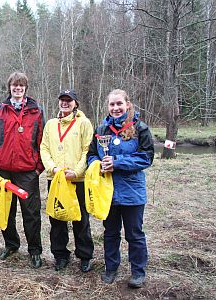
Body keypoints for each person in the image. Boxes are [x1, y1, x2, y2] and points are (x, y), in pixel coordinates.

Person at [87, 89, 154, 288]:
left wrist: (117, 162)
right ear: (107, 107)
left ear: (127, 104)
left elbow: (146, 157)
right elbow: (91, 154)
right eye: (112, 105)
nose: (115, 108)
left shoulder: (140, 128)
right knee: (110, 232)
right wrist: (97, 164)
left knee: (134, 233)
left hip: (132, 191)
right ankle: (111, 268)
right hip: (107, 191)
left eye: (119, 104)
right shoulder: (101, 130)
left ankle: (138, 271)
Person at [0, 72, 45, 268]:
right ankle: (11, 245)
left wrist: (39, 168)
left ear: (26, 88)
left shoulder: (36, 111)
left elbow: (42, 141)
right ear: (9, 87)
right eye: (14, 85)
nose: (17, 88)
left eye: (21, 85)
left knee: (31, 213)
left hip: (28, 171)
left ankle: (35, 250)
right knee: (6, 212)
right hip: (3, 171)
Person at [40, 89, 94, 272]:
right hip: (56, 179)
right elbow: (44, 149)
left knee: (80, 219)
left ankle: (85, 255)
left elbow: (88, 150)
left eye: (68, 100)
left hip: (77, 180)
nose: (65, 103)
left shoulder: (84, 123)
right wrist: (52, 169)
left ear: (75, 103)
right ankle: (60, 255)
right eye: (62, 100)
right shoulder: (50, 124)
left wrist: (77, 172)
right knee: (57, 219)